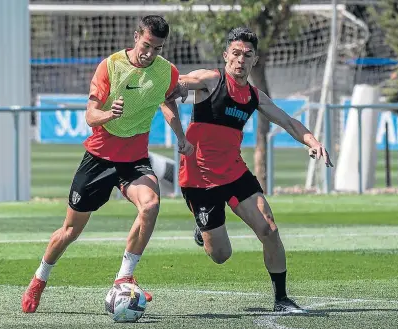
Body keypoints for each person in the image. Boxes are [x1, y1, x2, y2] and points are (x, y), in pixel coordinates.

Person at [22, 15, 194, 313]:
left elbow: (168, 101)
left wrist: (180, 135)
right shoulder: (111, 66)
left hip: (135, 160)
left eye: (158, 48)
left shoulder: (167, 72)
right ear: (136, 36)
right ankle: (39, 279)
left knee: (150, 205)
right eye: (146, 45)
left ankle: (124, 277)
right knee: (70, 231)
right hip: (98, 159)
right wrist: (109, 114)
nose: (150, 53)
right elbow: (90, 116)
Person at [164, 27, 333, 313]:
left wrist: (312, 140)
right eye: (236, 53)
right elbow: (172, 89)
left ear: (254, 60)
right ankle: (202, 227)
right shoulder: (210, 81)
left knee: (269, 229)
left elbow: (289, 122)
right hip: (199, 178)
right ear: (226, 55)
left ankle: (281, 299)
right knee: (220, 255)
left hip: (234, 172)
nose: (241, 60)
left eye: (247, 55)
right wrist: (179, 107)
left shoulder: (255, 96)